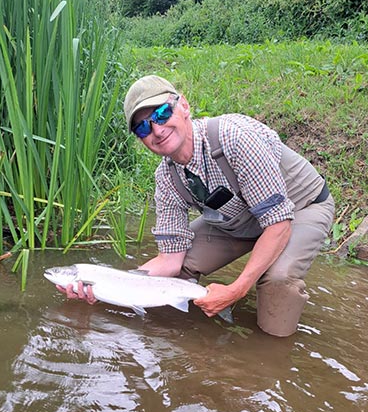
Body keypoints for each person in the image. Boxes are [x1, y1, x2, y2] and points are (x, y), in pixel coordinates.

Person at [58, 75, 334, 337]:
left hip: (300, 208)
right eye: (143, 127)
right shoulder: (166, 178)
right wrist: (114, 285)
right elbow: (170, 259)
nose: (157, 129)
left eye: (162, 114)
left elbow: (278, 224)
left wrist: (236, 289)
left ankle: (272, 358)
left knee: (277, 282)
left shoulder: (235, 138)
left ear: (184, 106)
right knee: (180, 270)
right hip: (237, 219)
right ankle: (188, 339)